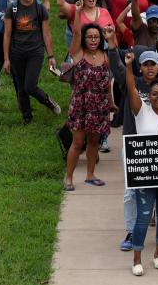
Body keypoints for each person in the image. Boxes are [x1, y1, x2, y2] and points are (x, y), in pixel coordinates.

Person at [123, 51, 158, 276]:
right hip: (145, 176)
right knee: (144, 215)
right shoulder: (141, 111)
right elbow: (131, 89)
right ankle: (137, 258)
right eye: (154, 94)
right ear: (149, 96)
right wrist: (128, 66)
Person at [63, 11, 114, 191]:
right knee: (77, 143)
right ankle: (68, 178)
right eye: (89, 37)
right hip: (81, 106)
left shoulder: (105, 57)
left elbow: (107, 81)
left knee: (94, 142)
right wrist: (77, 13)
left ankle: (90, 175)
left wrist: (111, 102)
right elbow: (76, 32)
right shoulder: (78, 54)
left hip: (100, 107)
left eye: (96, 37)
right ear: (84, 39)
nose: (93, 40)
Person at [2, 0, 61, 125]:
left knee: (30, 86)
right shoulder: (13, 9)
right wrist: (6, 59)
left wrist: (51, 56)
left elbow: (46, 34)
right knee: (21, 88)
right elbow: (7, 34)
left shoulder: (40, 8)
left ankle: (48, 102)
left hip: (35, 52)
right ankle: (27, 116)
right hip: (17, 53)